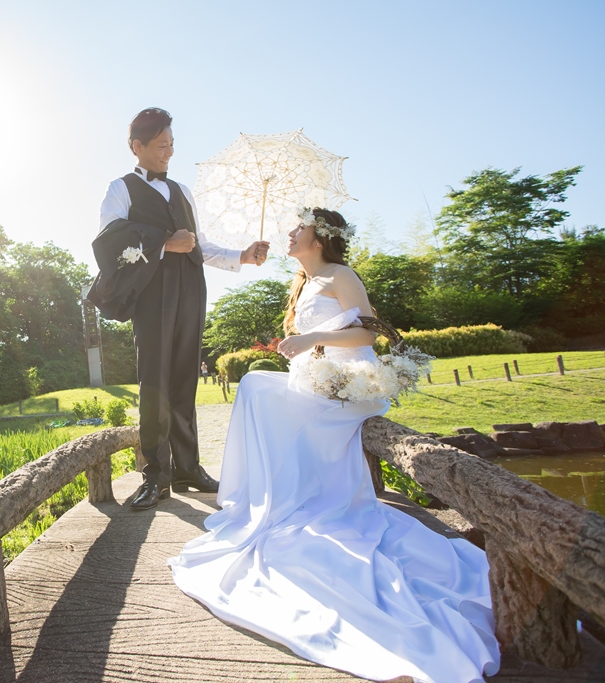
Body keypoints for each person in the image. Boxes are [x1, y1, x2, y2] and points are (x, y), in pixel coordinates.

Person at [168, 209, 500, 682]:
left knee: (258, 390)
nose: (289, 232)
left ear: (321, 235)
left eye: (297, 226)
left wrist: (313, 338)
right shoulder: (303, 281)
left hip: (350, 385)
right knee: (256, 388)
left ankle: (282, 500)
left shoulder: (341, 274)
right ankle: (266, 501)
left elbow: (369, 332)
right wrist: (300, 346)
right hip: (319, 381)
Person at [98, 107, 269, 511]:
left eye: (172, 145)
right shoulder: (119, 189)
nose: (168, 154)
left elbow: (199, 243)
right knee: (154, 380)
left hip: (192, 287)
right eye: (160, 146)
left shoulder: (182, 191)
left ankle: (189, 468)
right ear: (137, 146)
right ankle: (156, 475)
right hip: (152, 292)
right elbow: (108, 241)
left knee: (184, 379)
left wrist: (242, 255)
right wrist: (162, 243)